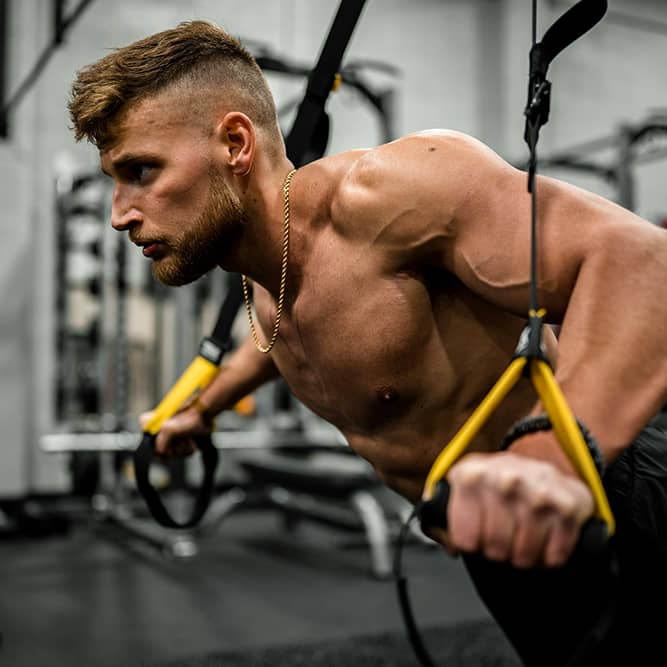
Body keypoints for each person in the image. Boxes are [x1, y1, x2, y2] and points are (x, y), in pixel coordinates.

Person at [68, 20, 667, 666]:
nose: (119, 212)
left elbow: (644, 262)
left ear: (235, 143)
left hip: (613, 485)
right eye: (113, 179)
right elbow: (275, 341)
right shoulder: (265, 281)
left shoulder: (386, 197)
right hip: (498, 542)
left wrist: (555, 455)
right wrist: (205, 407)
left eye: (140, 171)